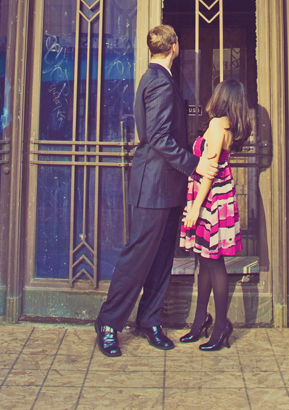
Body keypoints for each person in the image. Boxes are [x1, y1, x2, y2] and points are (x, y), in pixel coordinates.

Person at [95, 25, 218, 358]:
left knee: (162, 258)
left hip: (164, 187)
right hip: (154, 187)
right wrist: (195, 165)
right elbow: (160, 139)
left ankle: (148, 321)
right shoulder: (160, 84)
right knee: (138, 256)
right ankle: (108, 323)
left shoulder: (152, 79)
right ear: (174, 47)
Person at [178, 78, 252, 351]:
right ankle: (201, 321)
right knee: (206, 260)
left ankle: (220, 326)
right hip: (220, 198)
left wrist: (196, 206)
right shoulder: (228, 126)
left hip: (209, 199)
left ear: (220, 98)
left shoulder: (217, 125)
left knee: (214, 263)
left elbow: (208, 171)